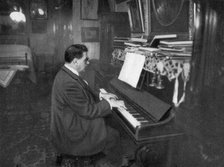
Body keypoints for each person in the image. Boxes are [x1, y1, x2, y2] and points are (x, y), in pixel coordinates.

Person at [50, 44, 127, 167]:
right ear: (75, 61)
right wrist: (109, 104)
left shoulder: (68, 72)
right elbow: (88, 111)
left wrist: (102, 96)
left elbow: (84, 90)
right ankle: (117, 163)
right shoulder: (68, 82)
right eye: (85, 59)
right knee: (114, 135)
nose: (88, 61)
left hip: (71, 118)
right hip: (72, 129)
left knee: (107, 122)